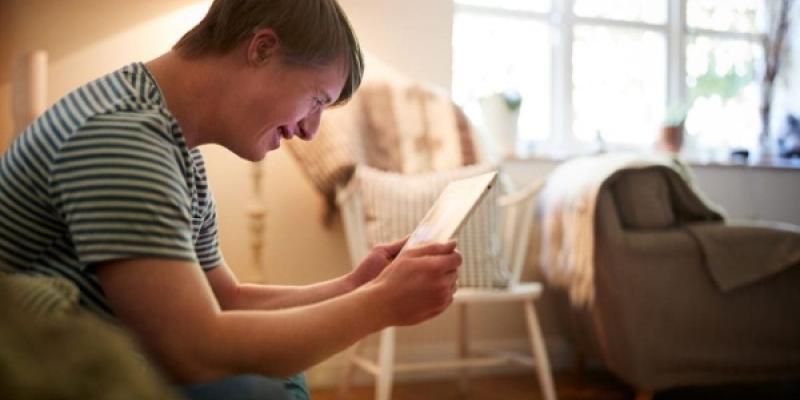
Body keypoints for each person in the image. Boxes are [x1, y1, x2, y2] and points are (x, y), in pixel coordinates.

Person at [0, 0, 462, 398]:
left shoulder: (171, 143)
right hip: (34, 369)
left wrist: (357, 286)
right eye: (317, 100)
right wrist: (381, 305)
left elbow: (226, 297)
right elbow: (194, 352)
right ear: (262, 49)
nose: (310, 130)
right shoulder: (121, 138)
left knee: (274, 376)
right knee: (264, 389)